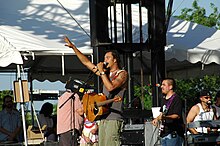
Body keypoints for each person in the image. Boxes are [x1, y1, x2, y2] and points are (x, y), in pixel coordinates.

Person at [64, 36, 128, 146]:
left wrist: (102, 72)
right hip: (102, 117)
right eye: (104, 58)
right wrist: (74, 48)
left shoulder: (122, 74)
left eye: (107, 58)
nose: (105, 60)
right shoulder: (106, 74)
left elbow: (111, 87)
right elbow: (87, 63)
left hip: (114, 118)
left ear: (115, 60)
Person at [152, 78, 184, 146]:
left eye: (164, 85)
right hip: (164, 133)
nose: (161, 86)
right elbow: (162, 113)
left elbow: (177, 115)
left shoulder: (176, 99)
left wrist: (164, 117)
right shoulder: (163, 99)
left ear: (170, 87)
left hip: (173, 133)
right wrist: (156, 119)